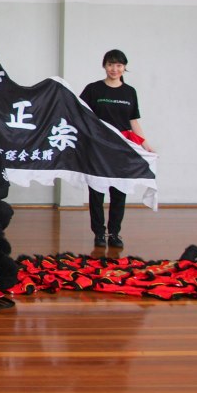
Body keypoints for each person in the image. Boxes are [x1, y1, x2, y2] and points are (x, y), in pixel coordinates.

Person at [79, 49, 152, 248]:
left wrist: (145, 144)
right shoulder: (93, 89)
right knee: (96, 191)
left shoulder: (130, 92)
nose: (114, 69)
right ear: (104, 66)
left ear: (124, 67)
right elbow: (79, 114)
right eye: (110, 64)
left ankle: (114, 233)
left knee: (119, 191)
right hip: (98, 149)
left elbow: (133, 121)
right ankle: (99, 233)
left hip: (122, 150)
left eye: (119, 65)